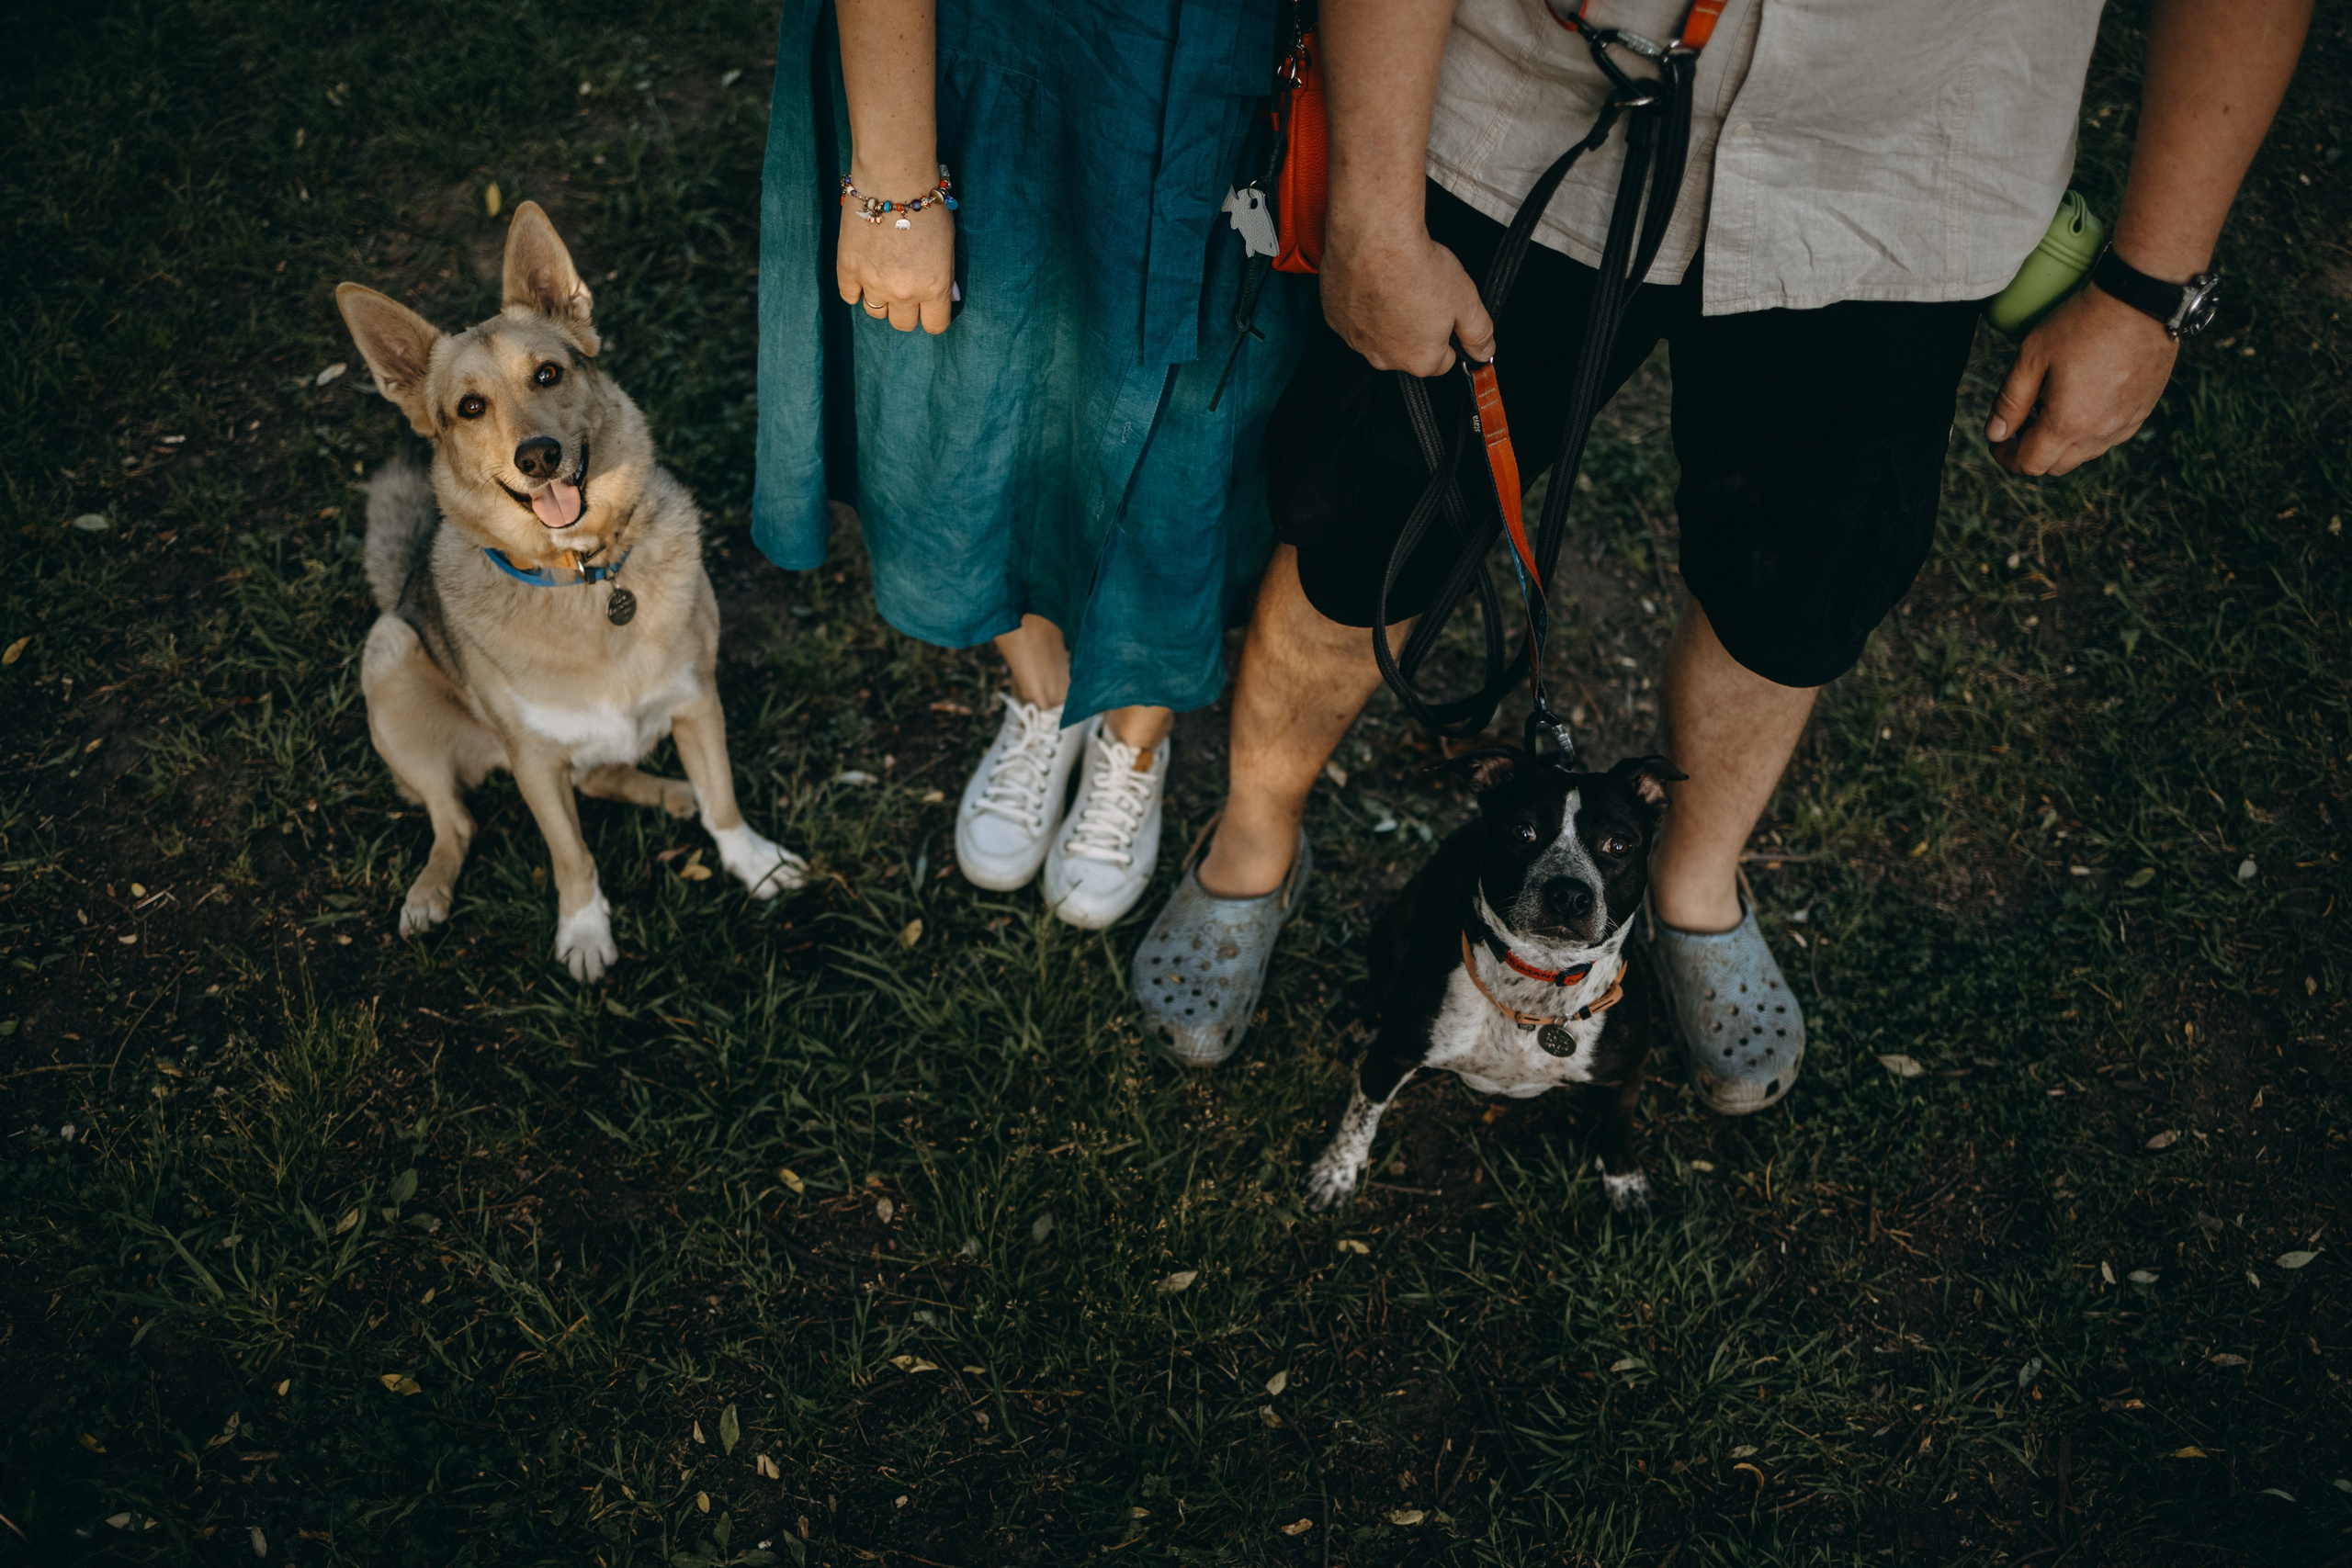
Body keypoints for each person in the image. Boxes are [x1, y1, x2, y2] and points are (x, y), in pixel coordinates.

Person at [1131, 0, 2311, 1100]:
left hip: (1905, 163)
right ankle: (1249, 843)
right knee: (1366, 527)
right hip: (1525, 101)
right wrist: (1373, 204)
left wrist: (2152, 283)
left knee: (1796, 588)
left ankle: (1692, 891)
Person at [752, 0, 1311, 929]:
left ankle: (1134, 737)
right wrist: (894, 179)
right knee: (978, 387)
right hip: (993, 43)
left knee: (1190, 425)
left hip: (1237, 59)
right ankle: (1044, 696)